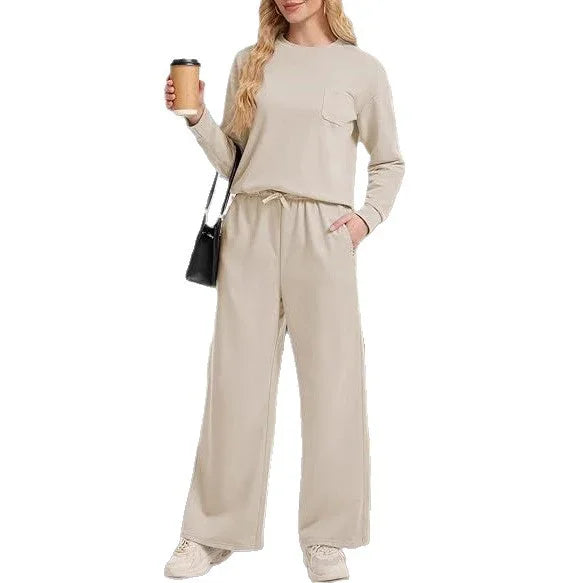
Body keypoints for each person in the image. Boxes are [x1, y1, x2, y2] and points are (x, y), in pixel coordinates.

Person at [163, 0, 404, 580]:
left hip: (323, 233)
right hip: (250, 227)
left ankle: (328, 536)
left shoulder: (362, 69)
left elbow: (389, 162)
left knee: (333, 384)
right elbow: (234, 162)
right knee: (234, 383)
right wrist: (197, 119)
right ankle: (211, 531)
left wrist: (365, 220)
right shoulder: (251, 61)